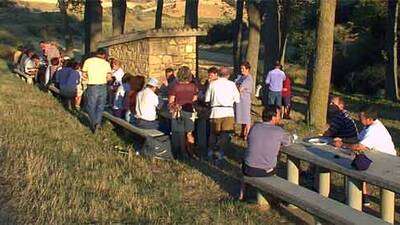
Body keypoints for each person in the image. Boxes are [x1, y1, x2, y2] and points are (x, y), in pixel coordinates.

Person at [333, 106, 397, 206]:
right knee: (357, 164)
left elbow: (359, 146)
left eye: (360, 117)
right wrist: (342, 139)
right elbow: (357, 139)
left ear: (369, 119)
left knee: (353, 167)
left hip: (386, 161)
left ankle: (355, 200)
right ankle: (363, 196)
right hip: (376, 157)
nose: (358, 119)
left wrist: (342, 145)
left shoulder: (374, 130)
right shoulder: (368, 126)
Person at [239, 106, 292, 200]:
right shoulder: (278, 131)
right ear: (273, 117)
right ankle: (272, 196)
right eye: (279, 115)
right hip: (265, 171)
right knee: (276, 159)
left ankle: (242, 194)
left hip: (248, 168)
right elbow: (288, 142)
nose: (280, 118)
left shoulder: (254, 127)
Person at [205, 66, 240, 163]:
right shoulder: (232, 84)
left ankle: (211, 151)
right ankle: (220, 152)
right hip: (228, 111)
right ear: (228, 75)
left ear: (218, 74)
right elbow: (237, 99)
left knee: (213, 133)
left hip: (215, 111)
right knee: (225, 134)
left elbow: (207, 99)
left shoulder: (213, 84)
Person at [168, 66, 199, 159]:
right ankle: (191, 152)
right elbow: (195, 99)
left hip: (178, 111)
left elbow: (171, 101)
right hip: (189, 111)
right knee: (189, 133)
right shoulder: (193, 87)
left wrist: (173, 106)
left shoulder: (175, 87)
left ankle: (182, 153)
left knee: (180, 134)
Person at [82, 48, 113, 133]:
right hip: (103, 86)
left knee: (90, 106)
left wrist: (85, 84)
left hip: (92, 86)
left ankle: (94, 123)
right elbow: (109, 77)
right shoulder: (106, 63)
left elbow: (84, 75)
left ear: (96, 53)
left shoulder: (88, 61)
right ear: (103, 55)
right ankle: (97, 123)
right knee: (100, 107)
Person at [235, 61, 253, 140]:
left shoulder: (249, 79)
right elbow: (234, 85)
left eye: (243, 68)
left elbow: (240, 89)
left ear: (247, 69)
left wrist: (237, 86)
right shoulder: (240, 77)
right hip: (239, 100)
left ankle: (247, 134)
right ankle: (242, 132)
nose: (241, 70)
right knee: (241, 117)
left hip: (245, 100)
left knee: (246, 117)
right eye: (241, 68)